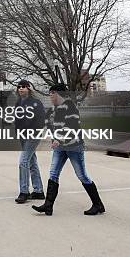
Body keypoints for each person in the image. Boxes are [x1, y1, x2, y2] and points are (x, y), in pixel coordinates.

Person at [32, 83, 105, 216]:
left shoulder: (70, 107)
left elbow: (71, 127)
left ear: (58, 94)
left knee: (82, 175)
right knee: (53, 174)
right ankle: (48, 206)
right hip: (60, 148)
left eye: (51, 93)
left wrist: (58, 139)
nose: (50, 96)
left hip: (74, 146)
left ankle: (98, 205)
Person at [14, 79, 46, 204]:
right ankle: (38, 191)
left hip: (33, 136)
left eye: (23, 86)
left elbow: (41, 120)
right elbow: (17, 120)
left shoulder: (36, 103)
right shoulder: (18, 103)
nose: (21, 88)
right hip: (23, 136)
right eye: (19, 87)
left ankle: (24, 192)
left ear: (29, 89)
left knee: (23, 161)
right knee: (32, 162)